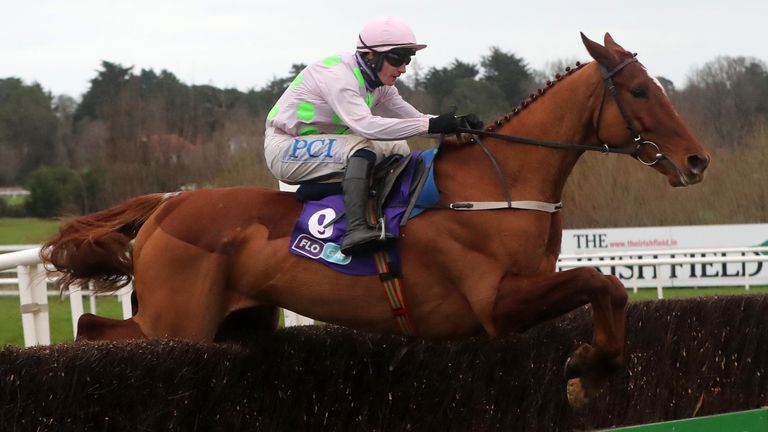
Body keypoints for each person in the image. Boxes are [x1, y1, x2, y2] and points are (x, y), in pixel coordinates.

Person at [264, 16, 482, 256]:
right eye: (397, 58)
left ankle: (387, 214)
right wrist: (432, 125)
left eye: (408, 59)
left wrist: (456, 125)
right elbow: (366, 126)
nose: (403, 68)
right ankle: (355, 230)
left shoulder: (381, 86)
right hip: (284, 149)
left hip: (325, 150)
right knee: (361, 145)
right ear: (370, 55)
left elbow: (416, 120)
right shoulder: (338, 76)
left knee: (398, 146)